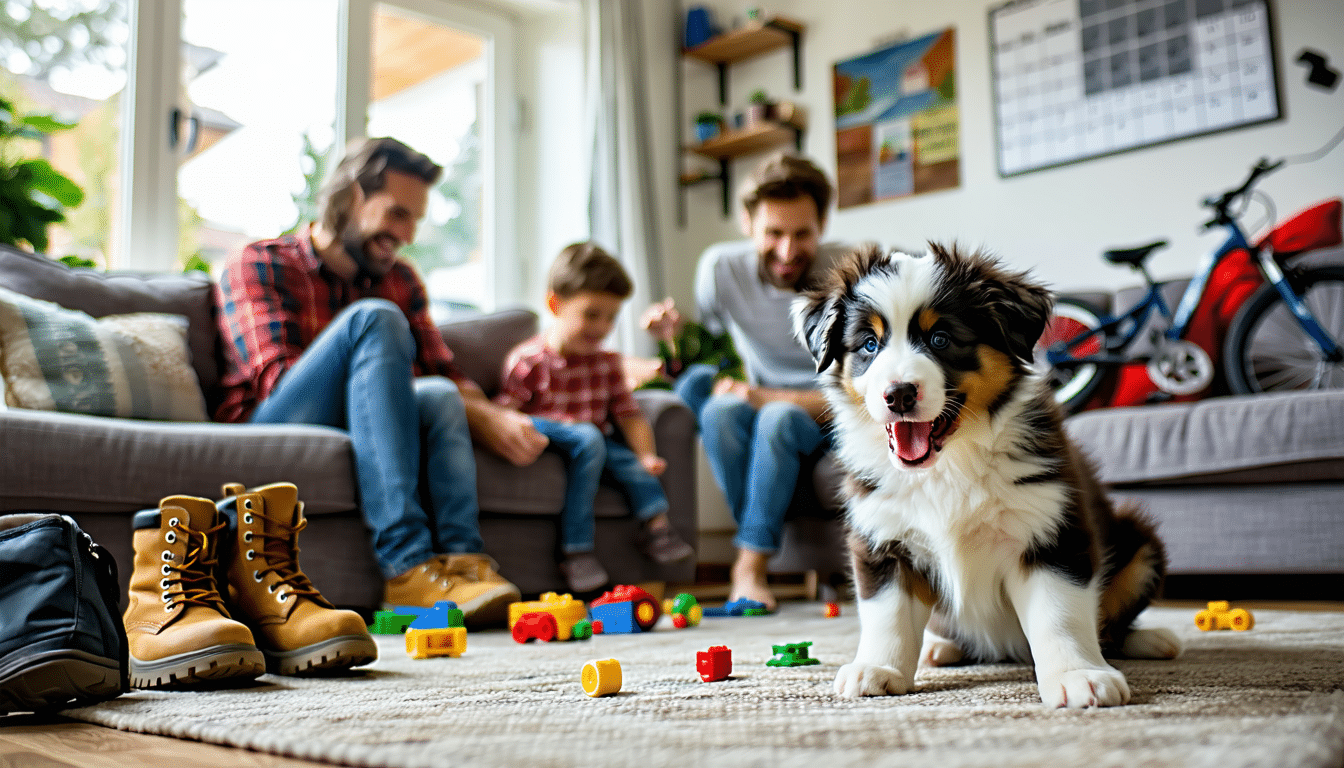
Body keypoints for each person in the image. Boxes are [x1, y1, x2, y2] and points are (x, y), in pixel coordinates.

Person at [215, 137, 548, 626]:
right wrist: (375, 368)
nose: (407, 234)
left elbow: (443, 373)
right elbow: (275, 379)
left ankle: (462, 563)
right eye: (397, 214)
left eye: (414, 219)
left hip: (366, 419)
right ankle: (407, 564)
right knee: (374, 319)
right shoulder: (261, 263)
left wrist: (491, 414)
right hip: (276, 421)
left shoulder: (401, 278)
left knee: (436, 395)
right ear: (351, 197)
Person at [641, 153, 847, 611]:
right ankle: (763, 522)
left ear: (823, 224)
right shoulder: (720, 270)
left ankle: (748, 566)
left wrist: (768, 396)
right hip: (757, 408)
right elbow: (714, 350)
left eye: (802, 234)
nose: (788, 252)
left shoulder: (849, 271)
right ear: (747, 222)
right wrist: (674, 338)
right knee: (718, 410)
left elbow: (862, 392)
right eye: (773, 233)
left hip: (827, 417)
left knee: (775, 417)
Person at [495, 242, 695, 593]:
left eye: (611, 317)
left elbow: (629, 415)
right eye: (591, 314)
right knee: (588, 437)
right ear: (555, 304)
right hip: (547, 436)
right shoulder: (529, 361)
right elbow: (506, 415)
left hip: (595, 442)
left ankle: (658, 530)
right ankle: (576, 551)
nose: (602, 326)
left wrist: (646, 455)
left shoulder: (606, 363)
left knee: (629, 462)